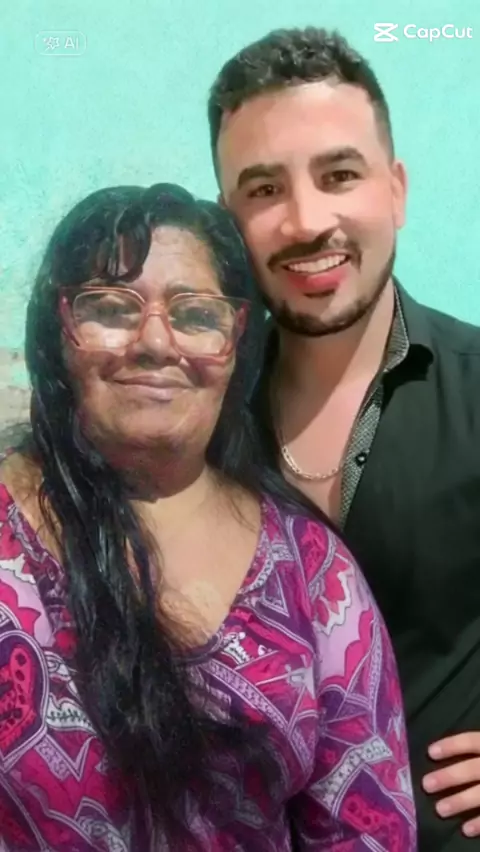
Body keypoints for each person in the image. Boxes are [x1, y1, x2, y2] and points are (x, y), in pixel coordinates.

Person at [0, 183, 415, 851]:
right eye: (111, 308)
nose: (154, 342)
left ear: (236, 337)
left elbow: (367, 828)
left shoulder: (314, 576)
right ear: (60, 329)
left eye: (196, 314)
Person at [207, 25, 480, 851]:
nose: (305, 220)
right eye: (264, 188)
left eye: (339, 175)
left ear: (395, 190)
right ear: (228, 222)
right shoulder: (196, 419)